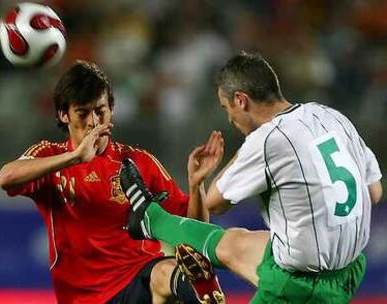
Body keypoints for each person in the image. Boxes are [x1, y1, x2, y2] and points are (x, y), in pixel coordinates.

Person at [119, 52, 383, 304]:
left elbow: (215, 202)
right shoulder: (329, 115)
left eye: (226, 107)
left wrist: (248, 147)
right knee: (232, 244)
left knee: (254, 253)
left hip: (299, 287)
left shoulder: (269, 139)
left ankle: (151, 219)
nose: (229, 118)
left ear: (241, 100)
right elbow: (374, 192)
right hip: (351, 268)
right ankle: (149, 218)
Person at [0, 60, 225, 304]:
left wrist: (196, 185)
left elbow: (194, 233)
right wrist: (75, 158)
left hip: (138, 275)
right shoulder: (50, 157)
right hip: (81, 297)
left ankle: (201, 293)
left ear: (112, 109)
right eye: (83, 113)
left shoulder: (137, 162)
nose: (94, 122)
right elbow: (6, 178)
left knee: (168, 272)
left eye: (100, 111)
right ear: (64, 115)